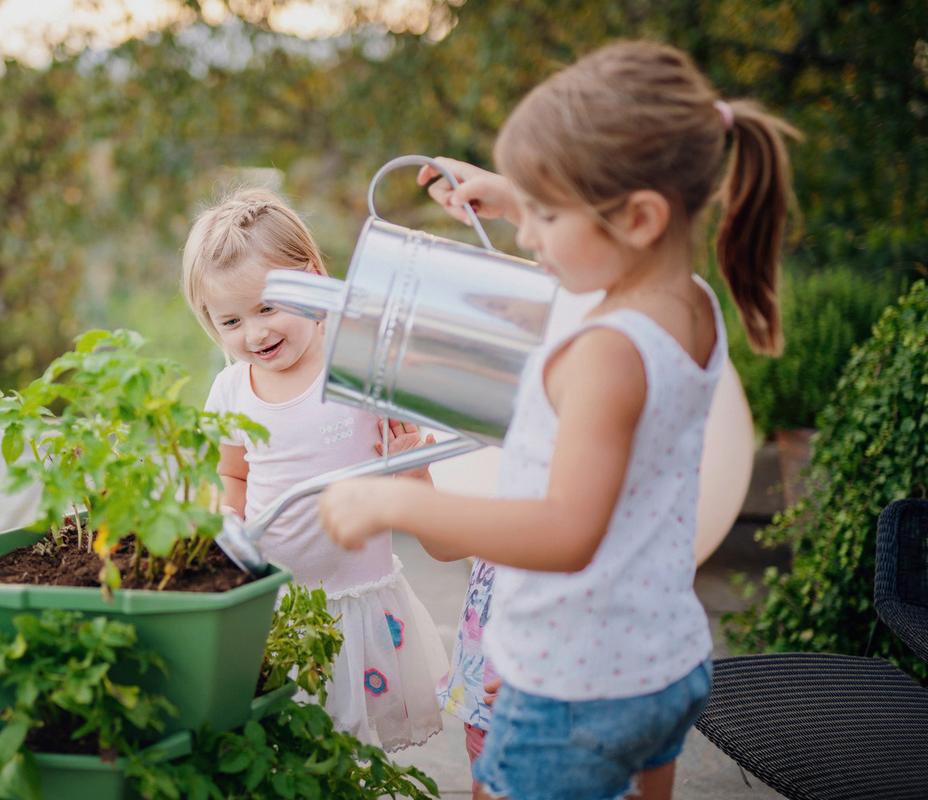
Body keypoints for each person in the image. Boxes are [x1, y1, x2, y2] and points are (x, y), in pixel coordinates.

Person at [319, 40, 797, 799]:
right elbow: (593, 260)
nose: (526, 235)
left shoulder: (607, 353)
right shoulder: (684, 301)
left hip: (569, 687)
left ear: (637, 216)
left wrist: (401, 501)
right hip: (661, 663)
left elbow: (567, 532)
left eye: (545, 213)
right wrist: (513, 191)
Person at [181, 187, 449, 750]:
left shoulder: (355, 365)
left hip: (356, 599)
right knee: (283, 736)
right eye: (230, 321)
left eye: (268, 307)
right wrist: (224, 518)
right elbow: (232, 476)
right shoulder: (231, 390)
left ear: (313, 279)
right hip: (275, 602)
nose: (254, 334)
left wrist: (408, 466)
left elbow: (411, 474)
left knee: (348, 746)